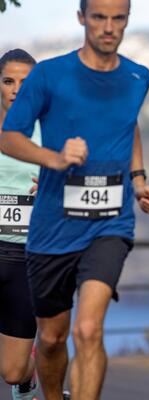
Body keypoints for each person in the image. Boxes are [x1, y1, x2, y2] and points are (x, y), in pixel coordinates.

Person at [0, 1, 149, 399]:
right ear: (81, 19)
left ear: (126, 20)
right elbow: (10, 135)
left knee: (88, 328)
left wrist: (138, 180)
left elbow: (129, 126)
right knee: (53, 339)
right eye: (99, 17)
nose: (109, 27)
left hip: (110, 222)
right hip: (51, 227)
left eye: (118, 18)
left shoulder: (139, 77)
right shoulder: (49, 75)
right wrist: (53, 158)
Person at [0, 49, 39, 400]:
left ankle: (29, 374)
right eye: (8, 81)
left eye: (24, 83)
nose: (15, 89)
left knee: (11, 370)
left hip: (26, 253)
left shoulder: (51, 132)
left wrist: (52, 185)